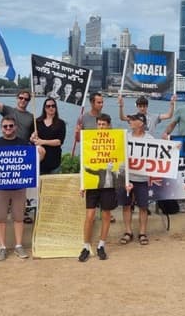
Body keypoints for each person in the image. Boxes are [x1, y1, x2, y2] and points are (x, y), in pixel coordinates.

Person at [0, 79, 36, 223]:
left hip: (21, 155)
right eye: (21, 98)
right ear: (17, 99)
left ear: (29, 101)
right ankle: (0, 215)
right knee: (2, 185)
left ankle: (22, 214)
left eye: (26, 99)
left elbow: (35, 136)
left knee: (20, 188)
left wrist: (35, 138)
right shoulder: (9, 110)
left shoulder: (31, 117)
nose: (23, 100)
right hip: (4, 154)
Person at [0, 115, 45, 261]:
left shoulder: (24, 144)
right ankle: (2, 247)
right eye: (5, 126)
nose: (8, 128)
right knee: (0, 218)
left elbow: (34, 161)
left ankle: (18, 246)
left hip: (19, 187)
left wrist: (40, 154)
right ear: (1, 128)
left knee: (19, 217)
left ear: (15, 127)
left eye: (10, 126)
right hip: (0, 188)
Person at [79, 113, 118, 262]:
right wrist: (83, 184)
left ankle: (101, 245)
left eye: (104, 124)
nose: (101, 127)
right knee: (89, 216)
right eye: (99, 124)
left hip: (109, 186)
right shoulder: (90, 140)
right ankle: (86, 246)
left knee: (106, 215)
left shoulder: (116, 140)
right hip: (93, 185)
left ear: (109, 125)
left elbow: (121, 160)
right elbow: (85, 162)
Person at [75, 93, 117, 223]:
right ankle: (91, 214)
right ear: (92, 103)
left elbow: (112, 138)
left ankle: (106, 212)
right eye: (99, 102)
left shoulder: (105, 118)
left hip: (104, 158)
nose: (101, 104)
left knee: (106, 185)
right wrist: (77, 132)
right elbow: (78, 140)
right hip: (89, 158)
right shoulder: (83, 118)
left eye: (102, 102)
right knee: (92, 185)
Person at [118, 113, 151, 245]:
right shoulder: (125, 136)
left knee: (143, 206)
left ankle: (142, 232)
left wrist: (175, 148)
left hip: (142, 178)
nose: (130, 121)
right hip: (126, 177)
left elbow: (162, 151)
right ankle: (128, 231)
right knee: (126, 205)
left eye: (133, 120)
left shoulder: (149, 138)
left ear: (141, 123)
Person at [31, 98, 66, 174]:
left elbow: (59, 141)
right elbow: (31, 140)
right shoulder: (37, 122)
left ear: (56, 108)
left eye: (53, 106)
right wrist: (33, 137)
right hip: (40, 162)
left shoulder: (61, 123)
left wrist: (42, 141)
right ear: (44, 108)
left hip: (54, 162)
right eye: (48, 106)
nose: (51, 108)